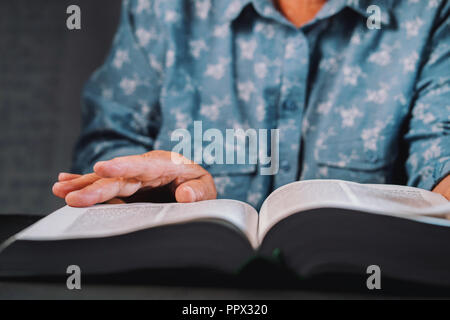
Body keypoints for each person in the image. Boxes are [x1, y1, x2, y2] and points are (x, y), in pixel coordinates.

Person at [53, 0, 449, 209]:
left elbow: (440, 149)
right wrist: (144, 188)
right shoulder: (163, 8)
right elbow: (107, 144)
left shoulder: (430, 11)